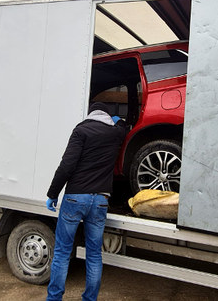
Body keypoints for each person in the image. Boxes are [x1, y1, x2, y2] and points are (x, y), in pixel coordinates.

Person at [45, 102, 127, 301]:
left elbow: (66, 166)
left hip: (75, 197)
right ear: (106, 116)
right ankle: (90, 299)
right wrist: (118, 121)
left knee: (63, 252)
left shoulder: (81, 130)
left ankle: (54, 298)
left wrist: (53, 193)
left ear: (90, 115)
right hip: (100, 200)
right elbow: (124, 125)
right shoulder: (115, 133)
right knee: (94, 254)